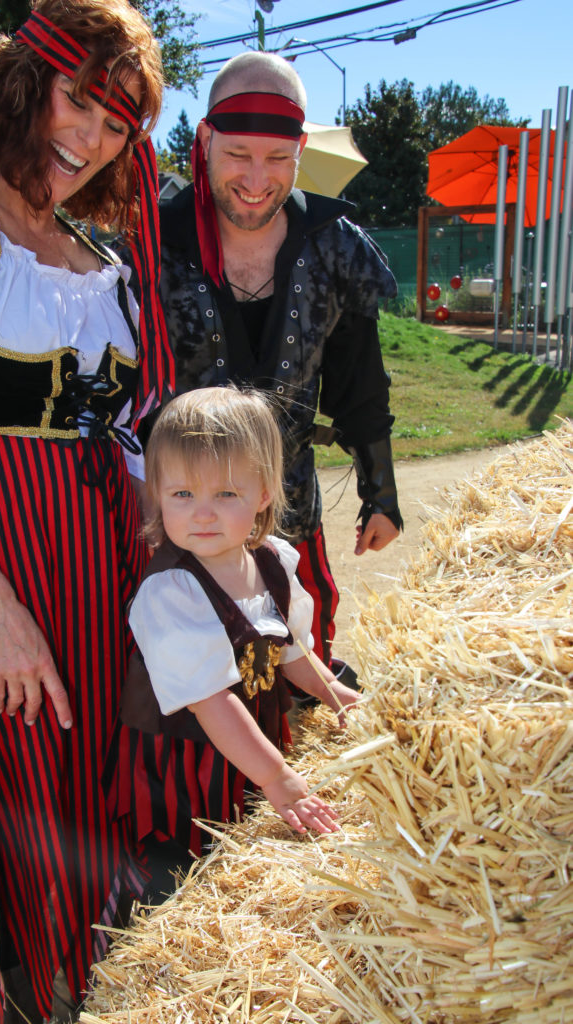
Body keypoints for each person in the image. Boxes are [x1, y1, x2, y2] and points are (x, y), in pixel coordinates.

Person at [0, 1, 173, 1022]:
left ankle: (59, 996)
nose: (90, 137)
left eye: (117, 126)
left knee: (76, 816)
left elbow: (128, 434)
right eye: (78, 100)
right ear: (22, 81)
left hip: (96, 585)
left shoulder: (100, 265)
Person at [155, 50, 403, 673]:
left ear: (299, 152)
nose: (257, 179)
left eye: (277, 158)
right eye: (238, 154)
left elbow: (359, 382)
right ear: (205, 139)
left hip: (291, 509)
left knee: (302, 679)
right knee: (192, 693)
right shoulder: (153, 242)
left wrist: (381, 493)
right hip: (183, 525)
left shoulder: (335, 246)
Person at [109, 387, 360, 897]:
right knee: (190, 874)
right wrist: (278, 779)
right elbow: (210, 700)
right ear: (156, 492)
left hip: (255, 743)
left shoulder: (273, 561)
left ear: (263, 493)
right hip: (186, 764)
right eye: (182, 494)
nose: (202, 514)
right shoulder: (171, 590)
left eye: (225, 494)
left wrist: (340, 697)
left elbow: (293, 654)